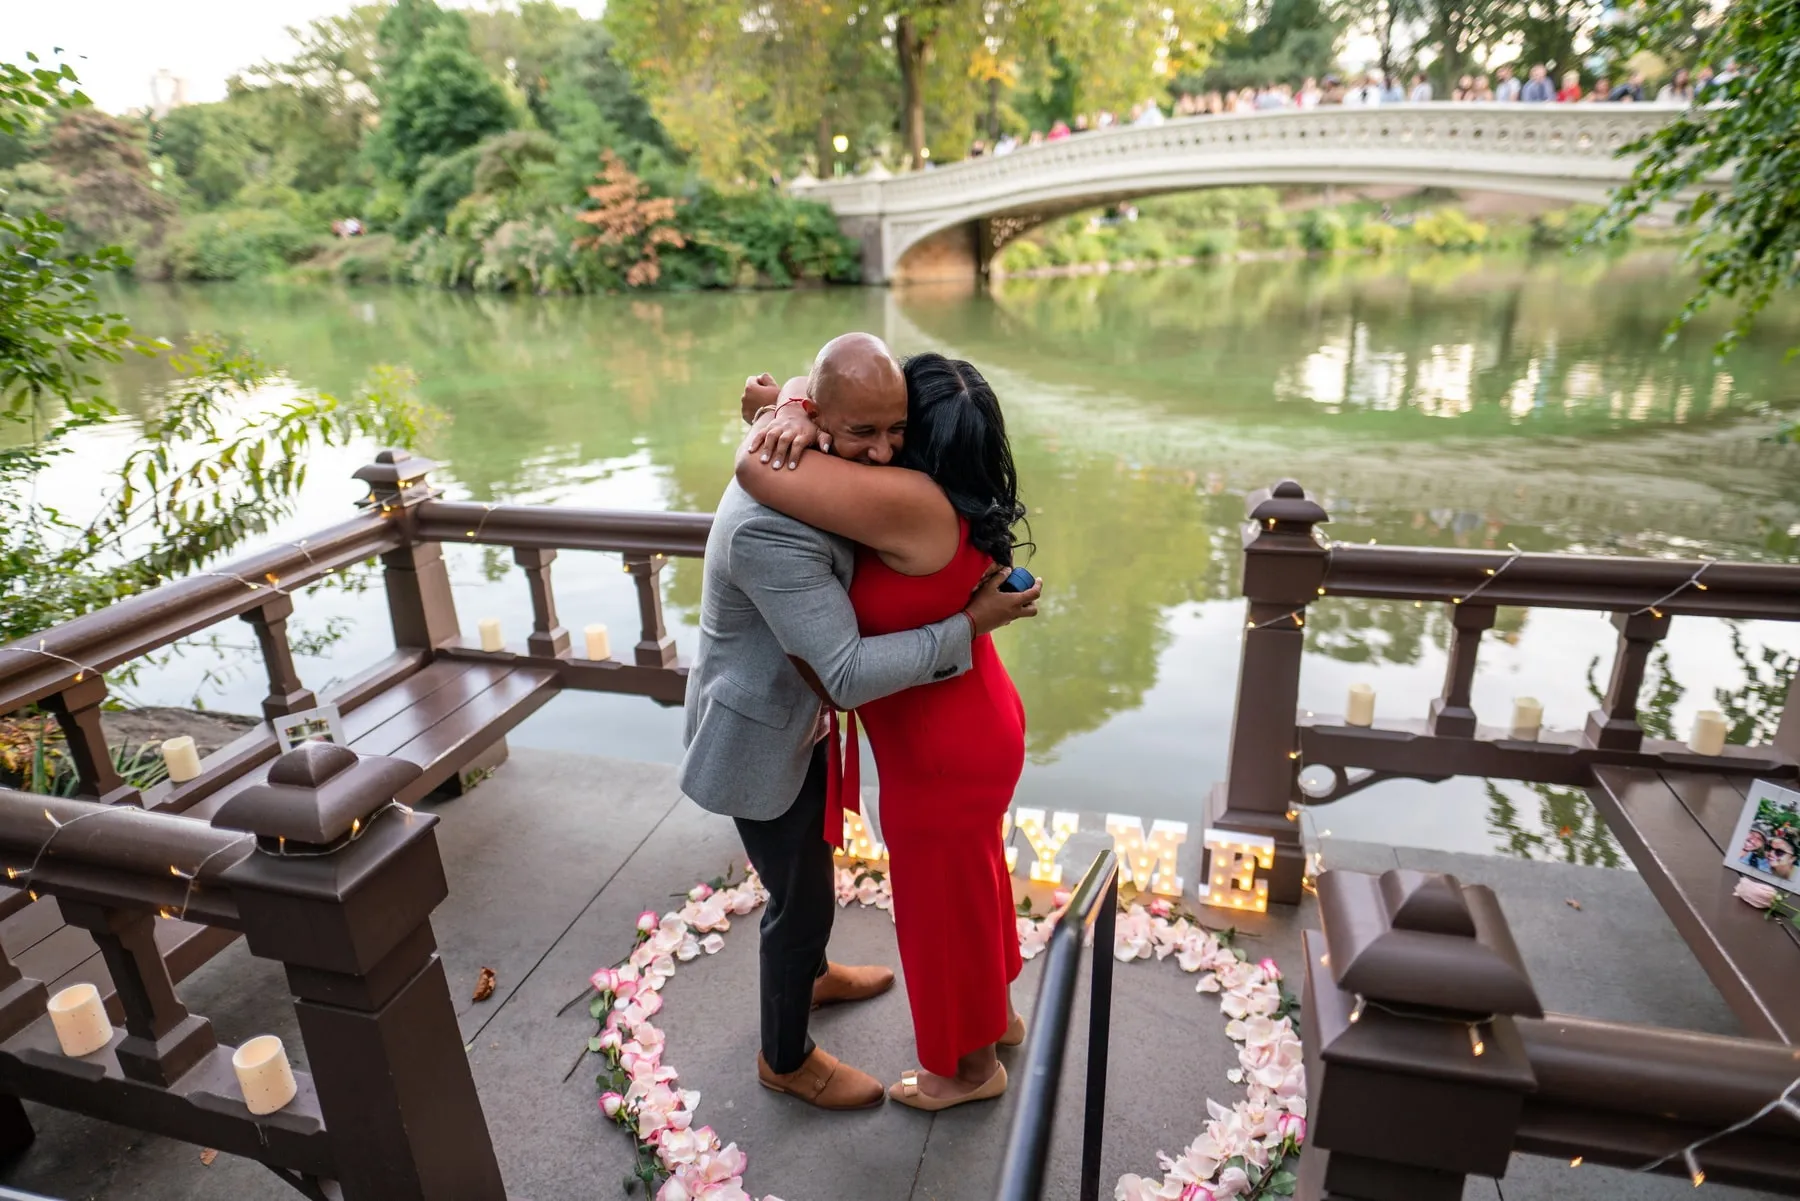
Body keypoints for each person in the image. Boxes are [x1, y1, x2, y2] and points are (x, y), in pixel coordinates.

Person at [686, 337, 1041, 1112]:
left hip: (940, 747)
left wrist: (779, 415)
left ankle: (967, 1069)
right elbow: (835, 394)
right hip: (967, 719)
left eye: (899, 431)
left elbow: (757, 464)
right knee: (969, 884)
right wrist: (787, 405)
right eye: (870, 432)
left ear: (927, 436)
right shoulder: (937, 489)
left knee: (939, 910)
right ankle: (994, 1019)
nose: (884, 450)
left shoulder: (909, 497)